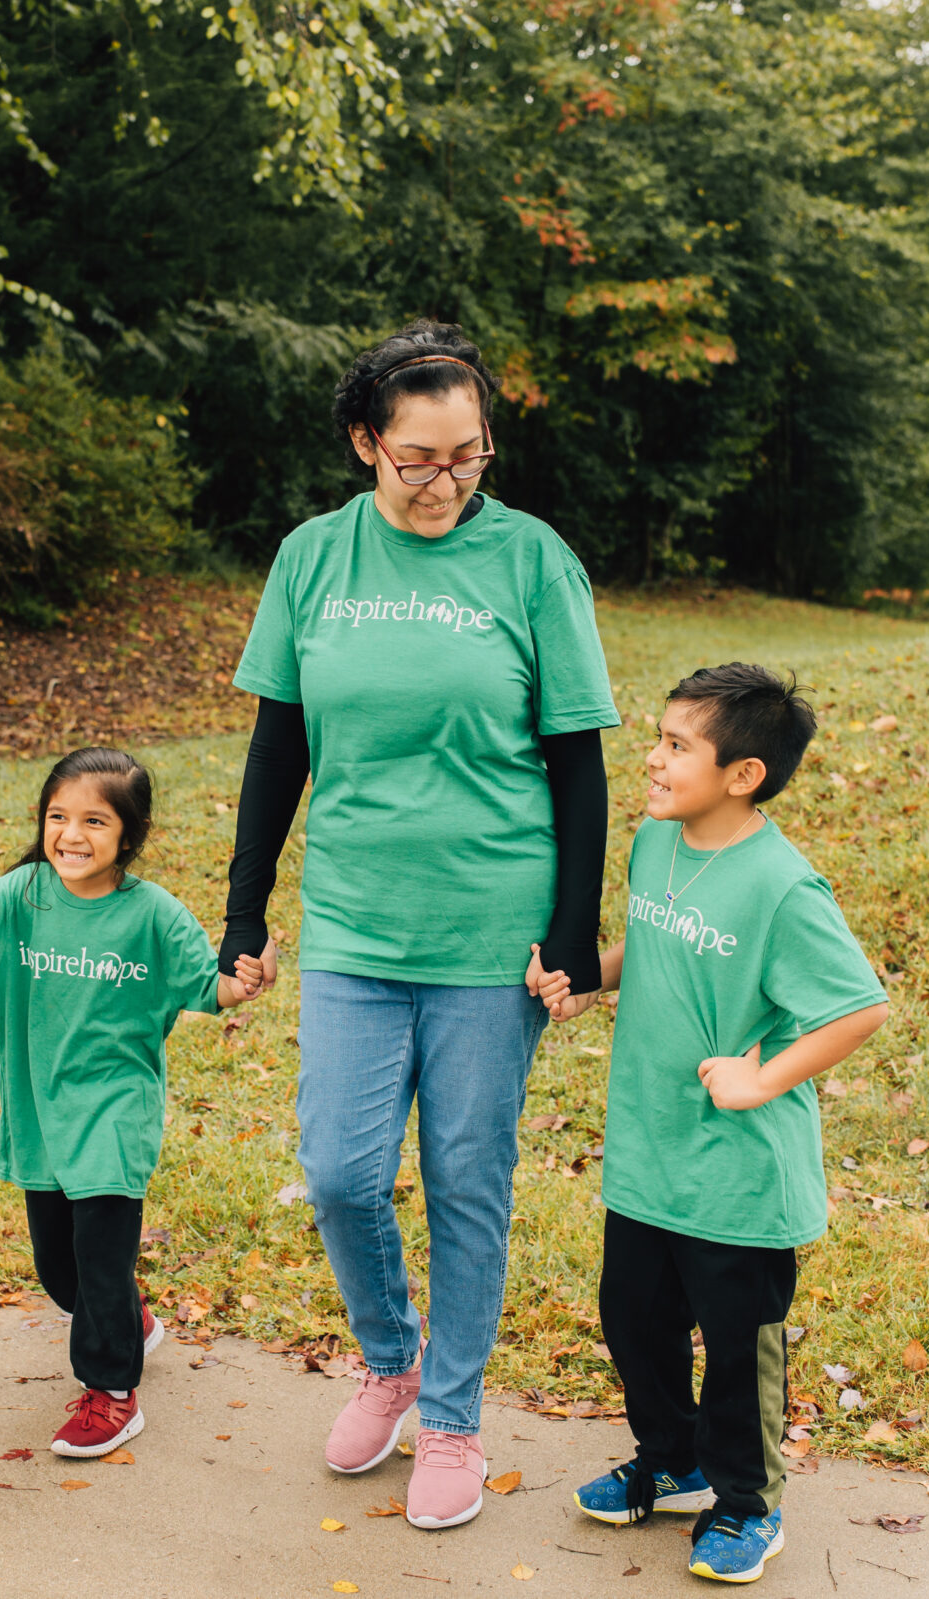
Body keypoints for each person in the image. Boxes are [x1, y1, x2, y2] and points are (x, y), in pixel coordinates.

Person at [219, 320, 620, 1529]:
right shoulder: (312, 558)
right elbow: (276, 744)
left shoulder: (532, 560)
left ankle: (449, 1413)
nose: (445, 481)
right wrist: (246, 901)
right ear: (364, 445)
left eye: (468, 455)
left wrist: (568, 926)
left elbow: (577, 762)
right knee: (340, 1171)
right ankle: (389, 1355)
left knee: (465, 1177)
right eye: (417, 458)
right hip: (352, 918)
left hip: (491, 928)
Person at [533, 664, 890, 1585]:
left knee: (737, 1350)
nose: (651, 758)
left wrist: (761, 1076)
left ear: (744, 774)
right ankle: (675, 1460)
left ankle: (745, 1505)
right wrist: (590, 977)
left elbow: (858, 1007)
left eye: (676, 744)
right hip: (648, 1153)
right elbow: (655, 943)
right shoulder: (660, 843)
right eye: (657, 737)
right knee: (634, 1322)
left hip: (737, 1175)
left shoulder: (781, 886)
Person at [0, 747, 272, 1459]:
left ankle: (112, 1392)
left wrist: (249, 975)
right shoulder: (22, 896)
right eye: (58, 816)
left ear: (130, 832)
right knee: (63, 1270)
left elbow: (213, 987)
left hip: (114, 1115)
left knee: (96, 1258)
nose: (71, 833)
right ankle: (127, 1311)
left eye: (94, 819)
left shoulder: (153, 914)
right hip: (40, 1114)